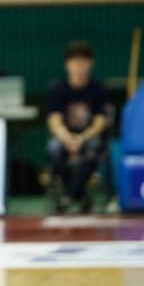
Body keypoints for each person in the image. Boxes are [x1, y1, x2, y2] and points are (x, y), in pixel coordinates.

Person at [47, 41, 109, 213]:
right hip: (66, 138)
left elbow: (100, 122)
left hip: (89, 137)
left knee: (95, 148)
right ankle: (80, 195)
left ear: (91, 63)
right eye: (75, 62)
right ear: (67, 64)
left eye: (83, 62)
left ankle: (69, 195)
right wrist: (67, 138)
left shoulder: (98, 90)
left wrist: (82, 138)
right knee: (53, 148)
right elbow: (54, 120)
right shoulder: (59, 89)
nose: (79, 67)